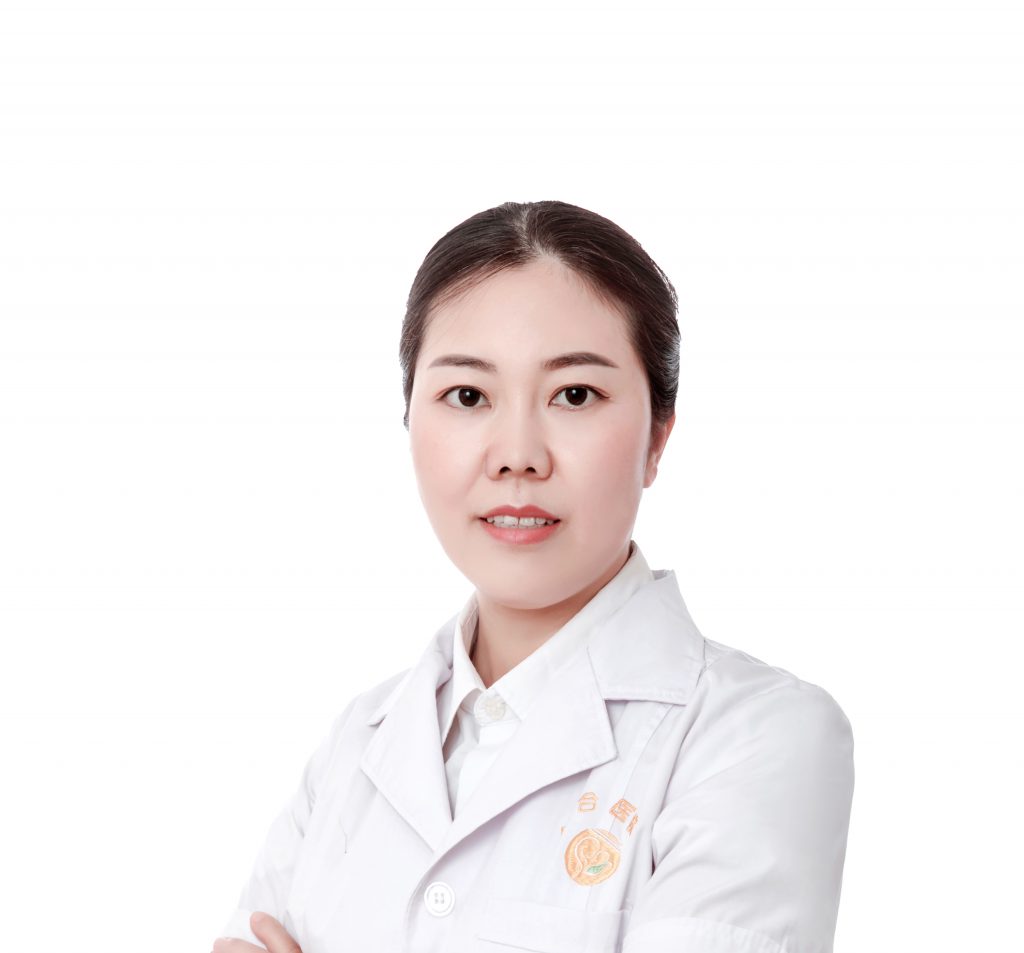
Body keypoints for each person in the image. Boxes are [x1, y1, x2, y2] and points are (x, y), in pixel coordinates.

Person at [212, 200, 855, 953]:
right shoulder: (357, 744)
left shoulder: (757, 738)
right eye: (468, 396)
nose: (517, 454)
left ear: (657, 436)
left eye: (574, 395)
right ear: (409, 420)